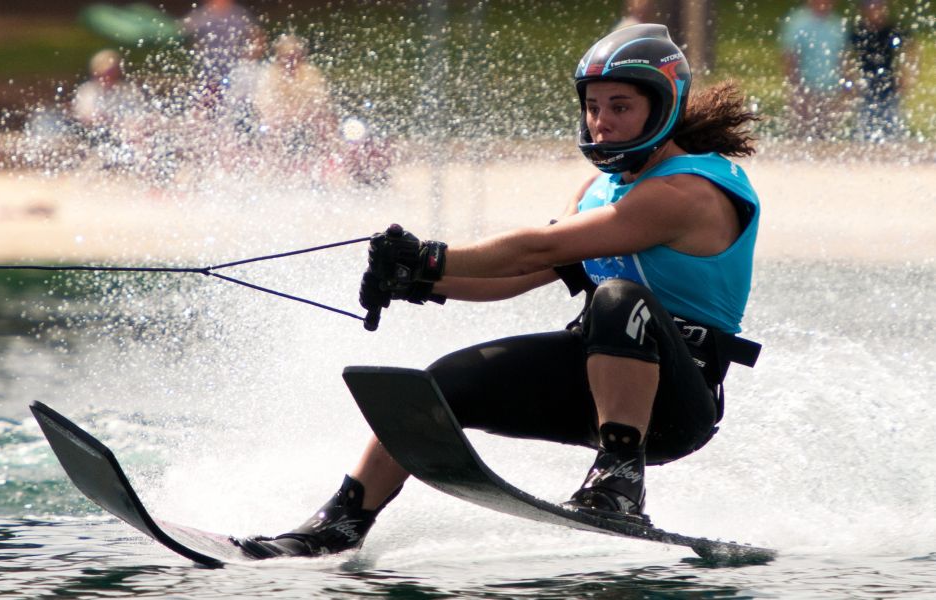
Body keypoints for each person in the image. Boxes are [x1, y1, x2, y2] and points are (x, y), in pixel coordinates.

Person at [237, 24, 763, 558]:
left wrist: (433, 256)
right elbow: (524, 275)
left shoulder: (687, 193)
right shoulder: (601, 191)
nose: (601, 122)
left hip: (678, 401)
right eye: (593, 107)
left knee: (617, 300)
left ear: (664, 108)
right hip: (592, 377)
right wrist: (418, 280)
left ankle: (620, 483)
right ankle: (338, 526)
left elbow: (533, 249)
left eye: (620, 107)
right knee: (434, 391)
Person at [250, 33, 339, 176]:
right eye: (286, 56)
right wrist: (281, 116)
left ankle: (328, 168)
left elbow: (321, 100)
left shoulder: (311, 73)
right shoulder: (269, 74)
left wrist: (303, 114)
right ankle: (268, 171)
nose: (290, 60)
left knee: (327, 125)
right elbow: (262, 102)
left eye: (294, 56)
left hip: (306, 122)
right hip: (278, 123)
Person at [779, 0, 847, 138]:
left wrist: (843, 88)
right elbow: (789, 57)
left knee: (827, 134)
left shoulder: (837, 23)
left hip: (830, 89)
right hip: (806, 87)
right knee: (801, 133)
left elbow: (842, 58)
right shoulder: (798, 23)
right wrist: (796, 88)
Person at [849, 0, 914, 142]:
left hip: (890, 86)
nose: (875, 13)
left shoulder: (891, 30)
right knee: (865, 126)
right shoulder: (859, 32)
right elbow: (848, 57)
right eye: (871, 9)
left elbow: (910, 49)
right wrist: (851, 81)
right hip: (866, 86)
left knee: (892, 125)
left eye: (878, 8)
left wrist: (905, 75)